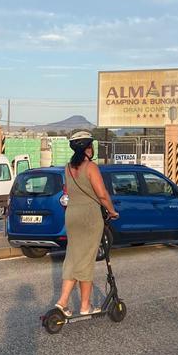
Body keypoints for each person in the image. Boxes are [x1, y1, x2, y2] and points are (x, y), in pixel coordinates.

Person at [54, 131, 119, 317]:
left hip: (72, 214)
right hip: (89, 216)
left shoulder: (67, 168)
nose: (93, 149)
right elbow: (102, 194)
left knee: (73, 257)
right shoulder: (91, 167)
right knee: (86, 260)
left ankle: (63, 301)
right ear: (87, 149)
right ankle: (84, 306)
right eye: (91, 146)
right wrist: (112, 211)